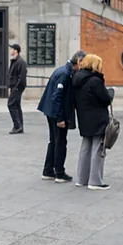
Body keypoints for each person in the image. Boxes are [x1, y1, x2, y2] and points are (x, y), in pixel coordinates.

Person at [38, 51, 87, 182]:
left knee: (54, 141)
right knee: (60, 142)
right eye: (84, 63)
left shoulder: (64, 71)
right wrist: (60, 118)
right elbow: (57, 97)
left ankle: (48, 170)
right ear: (79, 60)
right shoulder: (65, 74)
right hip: (56, 112)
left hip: (50, 110)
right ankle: (59, 172)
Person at [72, 54, 114, 191]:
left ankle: (82, 179)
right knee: (98, 149)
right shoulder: (95, 81)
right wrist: (111, 92)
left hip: (84, 118)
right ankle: (95, 181)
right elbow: (105, 99)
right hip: (98, 118)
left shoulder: (77, 78)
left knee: (85, 147)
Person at [7, 43, 28, 134]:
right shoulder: (14, 61)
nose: (10, 50)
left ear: (16, 51)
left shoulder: (21, 62)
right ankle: (20, 126)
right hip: (14, 86)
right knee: (16, 105)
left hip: (17, 87)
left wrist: (15, 88)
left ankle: (17, 125)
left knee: (11, 104)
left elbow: (22, 77)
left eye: (12, 49)